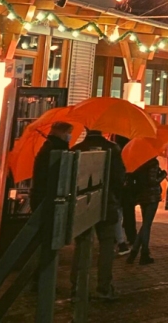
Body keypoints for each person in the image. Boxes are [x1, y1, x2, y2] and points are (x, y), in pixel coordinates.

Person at [70, 129, 125, 301]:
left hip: (82, 204)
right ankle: (104, 287)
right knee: (107, 245)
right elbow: (119, 178)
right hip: (107, 203)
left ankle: (77, 288)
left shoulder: (77, 149)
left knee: (81, 246)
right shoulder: (113, 149)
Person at [126, 157, 162, 265]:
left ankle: (133, 253)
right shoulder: (153, 163)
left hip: (142, 196)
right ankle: (144, 253)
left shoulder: (139, 162)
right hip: (152, 196)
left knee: (145, 224)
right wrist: (162, 175)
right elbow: (152, 181)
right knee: (147, 225)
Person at [30, 122, 72, 211]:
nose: (69, 136)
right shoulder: (57, 148)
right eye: (69, 132)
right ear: (62, 133)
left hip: (41, 195)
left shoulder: (50, 145)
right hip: (48, 197)